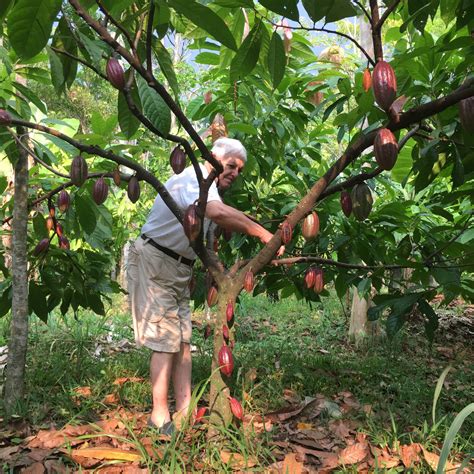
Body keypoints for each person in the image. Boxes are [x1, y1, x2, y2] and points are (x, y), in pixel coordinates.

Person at [127, 137, 282, 434]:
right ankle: (159, 416)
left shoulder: (211, 193)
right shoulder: (193, 178)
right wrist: (265, 234)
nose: (235, 173)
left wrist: (220, 272)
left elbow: (206, 239)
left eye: (239, 170)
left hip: (178, 270)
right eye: (231, 165)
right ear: (213, 158)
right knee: (164, 341)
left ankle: (184, 411)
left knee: (183, 341)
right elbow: (216, 213)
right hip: (155, 260)